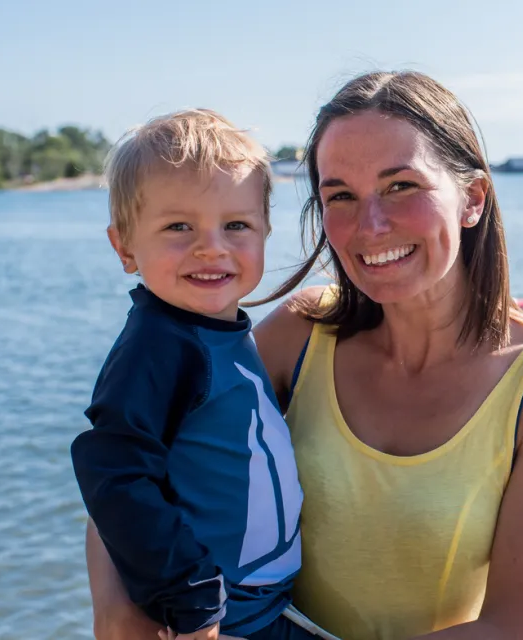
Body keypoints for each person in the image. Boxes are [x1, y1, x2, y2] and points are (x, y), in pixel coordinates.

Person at [86, 71, 523, 640]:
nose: (371, 224)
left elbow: (518, 629)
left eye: (401, 186)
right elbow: (132, 463)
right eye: (341, 196)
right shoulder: (304, 331)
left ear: (473, 199)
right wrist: (115, 608)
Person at [69, 109, 319, 640]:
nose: (212, 247)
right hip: (215, 615)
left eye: (236, 225)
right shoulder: (159, 345)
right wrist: (192, 596)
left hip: (267, 604)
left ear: (265, 234)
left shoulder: (218, 331)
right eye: (178, 227)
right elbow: (113, 471)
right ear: (125, 247)